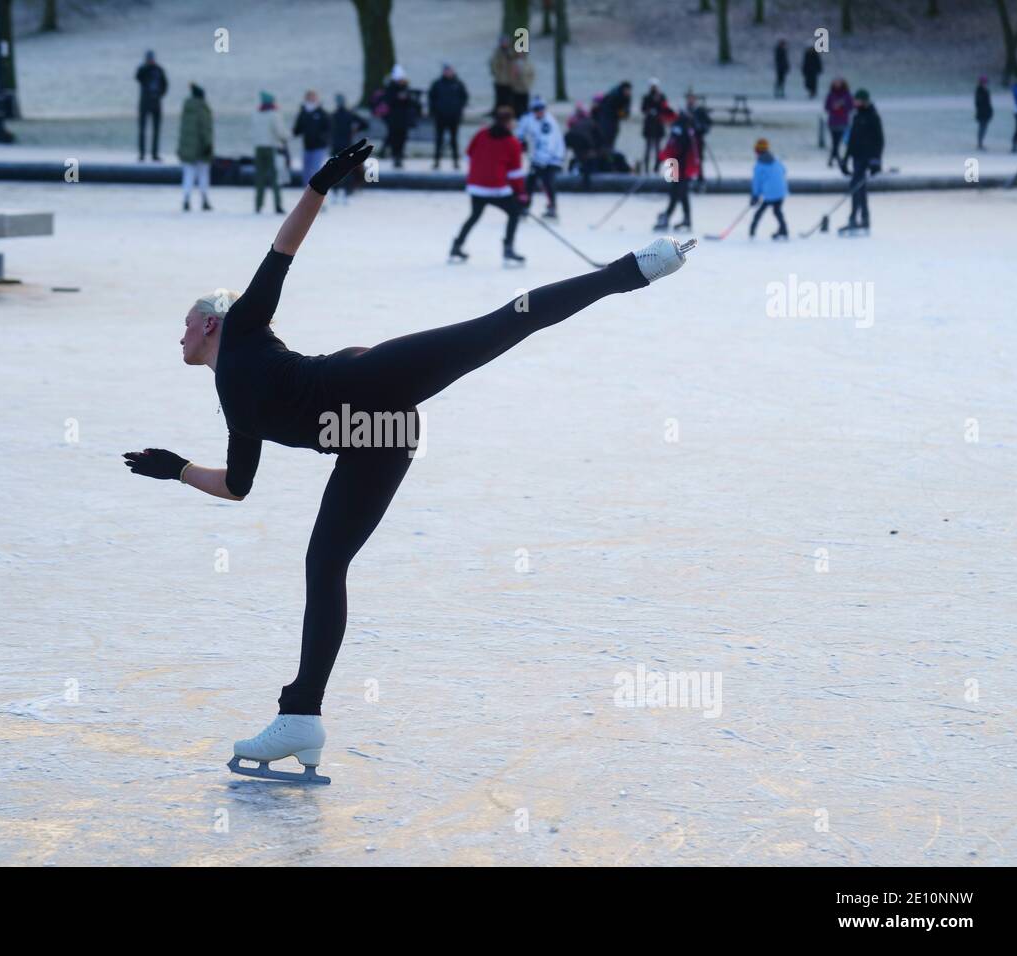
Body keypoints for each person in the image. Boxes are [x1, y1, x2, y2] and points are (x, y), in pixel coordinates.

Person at [123, 138, 698, 783]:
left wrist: (318, 185)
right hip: (376, 435)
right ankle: (301, 718)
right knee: (325, 561)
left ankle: (631, 270)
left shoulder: (246, 328)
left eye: (184, 324)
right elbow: (237, 486)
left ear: (207, 324)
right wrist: (175, 468)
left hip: (373, 379)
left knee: (501, 324)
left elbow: (281, 253)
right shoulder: (234, 405)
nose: (179, 336)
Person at [449, 106, 527, 265]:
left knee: (474, 216)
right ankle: (508, 249)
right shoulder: (512, 142)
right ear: (508, 123)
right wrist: (520, 193)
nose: (514, 124)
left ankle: (456, 246)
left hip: (476, 186)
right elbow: (515, 173)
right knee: (514, 213)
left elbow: (469, 155)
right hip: (496, 188)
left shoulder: (482, 133)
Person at [840, 88, 883, 234]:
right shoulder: (857, 116)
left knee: (856, 187)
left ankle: (855, 217)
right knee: (860, 188)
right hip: (857, 157)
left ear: (863, 101)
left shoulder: (873, 117)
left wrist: (876, 161)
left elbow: (879, 140)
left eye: (856, 100)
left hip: (867, 158)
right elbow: (852, 140)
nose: (854, 102)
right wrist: (845, 159)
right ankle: (863, 218)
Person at [516, 95, 565, 218]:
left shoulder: (548, 123)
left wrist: (539, 162)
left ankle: (552, 208)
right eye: (536, 109)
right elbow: (520, 131)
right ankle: (524, 207)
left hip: (553, 157)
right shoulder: (529, 118)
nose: (539, 112)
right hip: (538, 157)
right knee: (530, 182)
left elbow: (549, 144)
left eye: (541, 109)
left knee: (548, 182)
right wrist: (521, 141)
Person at [655, 107, 700, 232]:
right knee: (680, 193)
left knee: (677, 193)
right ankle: (685, 219)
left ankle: (668, 217)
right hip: (681, 166)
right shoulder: (686, 128)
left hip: (679, 166)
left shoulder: (678, 129)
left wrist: (659, 159)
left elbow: (672, 148)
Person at [176, 83, 213, 212]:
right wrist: (208, 145)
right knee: (203, 175)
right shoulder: (202, 109)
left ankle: (186, 199)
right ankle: (204, 200)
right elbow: (205, 130)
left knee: (188, 175)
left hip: (187, 149)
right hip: (201, 149)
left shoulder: (187, 109)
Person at [374, 65, 419, 168]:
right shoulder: (391, 89)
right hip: (393, 119)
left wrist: (406, 98)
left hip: (403, 119)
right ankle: (395, 156)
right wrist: (398, 98)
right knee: (394, 138)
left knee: (402, 138)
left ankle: (399, 156)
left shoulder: (406, 89)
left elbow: (412, 103)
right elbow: (387, 101)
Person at [328, 94, 369, 202]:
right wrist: (355, 130)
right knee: (347, 169)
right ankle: (347, 191)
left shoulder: (333, 115)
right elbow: (365, 124)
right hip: (348, 145)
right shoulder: (349, 114)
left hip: (336, 146)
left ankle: (335, 191)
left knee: (334, 169)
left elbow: (327, 130)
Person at [251, 91, 288, 214]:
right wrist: (285, 139)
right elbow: (280, 133)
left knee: (260, 178)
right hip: (272, 148)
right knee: (275, 178)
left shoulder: (256, 114)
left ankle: (258, 205)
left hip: (258, 148)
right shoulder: (274, 114)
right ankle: (278, 205)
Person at [428, 63, 469, 170]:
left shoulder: (458, 84)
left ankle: (455, 162)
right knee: (439, 140)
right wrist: (434, 111)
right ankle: (437, 161)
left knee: (454, 140)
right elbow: (431, 98)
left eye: (450, 70)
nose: (448, 73)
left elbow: (464, 97)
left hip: (454, 117)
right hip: (440, 117)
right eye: (447, 71)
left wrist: (458, 109)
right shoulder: (437, 84)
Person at [749, 138, 789, 240]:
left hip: (770, 193)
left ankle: (752, 231)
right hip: (781, 191)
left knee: (760, 211)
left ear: (757, 151)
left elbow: (757, 182)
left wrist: (755, 196)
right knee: (777, 211)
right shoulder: (776, 160)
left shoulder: (759, 165)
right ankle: (784, 230)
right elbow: (784, 171)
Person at [293, 89, 331, 185]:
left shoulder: (322, 113)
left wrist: (323, 139)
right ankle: (307, 193)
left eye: (313, 96)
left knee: (315, 170)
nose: (311, 99)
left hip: (319, 146)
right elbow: (297, 129)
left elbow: (329, 129)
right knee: (306, 171)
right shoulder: (303, 112)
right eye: (309, 97)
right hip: (307, 146)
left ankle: (315, 192)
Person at [135, 50, 168, 162]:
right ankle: (142, 154)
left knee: (156, 130)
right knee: (142, 130)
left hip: (156, 103)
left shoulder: (159, 70)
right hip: (144, 103)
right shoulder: (143, 69)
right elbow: (137, 77)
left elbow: (165, 84)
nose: (151, 60)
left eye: (151, 58)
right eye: (149, 59)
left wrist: (159, 95)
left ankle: (155, 154)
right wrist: (146, 66)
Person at [823, 78, 854, 167]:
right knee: (835, 141)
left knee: (837, 142)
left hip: (843, 121)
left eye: (838, 83)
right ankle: (836, 159)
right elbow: (826, 107)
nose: (837, 84)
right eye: (835, 83)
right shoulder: (831, 95)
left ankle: (834, 159)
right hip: (832, 122)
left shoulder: (847, 95)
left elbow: (851, 107)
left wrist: (843, 105)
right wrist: (833, 107)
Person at [640, 79, 667, 171]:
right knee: (647, 149)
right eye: (652, 86)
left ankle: (657, 168)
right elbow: (643, 109)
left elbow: (665, 109)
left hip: (658, 126)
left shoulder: (662, 97)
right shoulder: (646, 97)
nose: (653, 88)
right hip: (649, 126)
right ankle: (646, 169)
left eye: (655, 86)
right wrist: (650, 111)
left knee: (658, 149)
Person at [597, 81, 632, 151]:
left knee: (612, 140)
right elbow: (607, 109)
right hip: (606, 120)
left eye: (629, 90)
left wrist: (623, 113)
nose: (628, 92)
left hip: (614, 121)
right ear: (623, 89)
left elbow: (626, 111)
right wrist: (619, 113)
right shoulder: (614, 95)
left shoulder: (626, 97)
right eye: (627, 90)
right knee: (605, 140)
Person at [490, 36, 515, 114]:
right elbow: (493, 64)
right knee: (500, 98)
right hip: (500, 80)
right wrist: (497, 73)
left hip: (510, 80)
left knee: (509, 98)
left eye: (506, 42)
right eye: (503, 42)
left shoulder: (511, 52)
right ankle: (498, 112)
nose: (504, 44)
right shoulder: (497, 53)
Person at [510, 50, 535, 118]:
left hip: (525, 87)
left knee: (525, 103)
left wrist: (529, 83)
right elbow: (511, 74)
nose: (520, 54)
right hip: (516, 87)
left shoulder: (528, 63)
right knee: (517, 103)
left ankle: (525, 116)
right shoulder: (514, 63)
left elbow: (532, 74)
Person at [974, 76, 993, 150]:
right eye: (984, 82)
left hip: (986, 113)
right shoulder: (979, 91)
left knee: (984, 128)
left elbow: (988, 103)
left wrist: (990, 111)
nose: (986, 84)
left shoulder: (986, 91)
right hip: (981, 113)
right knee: (982, 128)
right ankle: (980, 143)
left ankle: (980, 142)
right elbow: (978, 103)